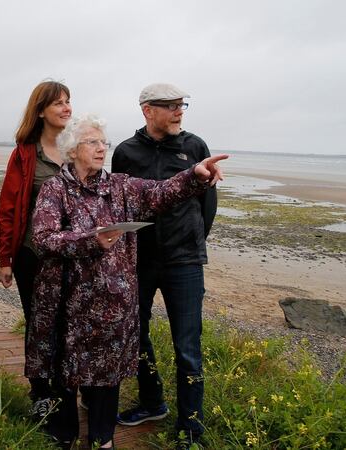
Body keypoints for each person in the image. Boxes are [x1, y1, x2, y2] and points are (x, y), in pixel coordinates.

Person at [26, 114, 226, 449]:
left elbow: (160, 193)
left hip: (111, 302)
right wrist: (91, 240)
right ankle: (64, 434)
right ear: (73, 150)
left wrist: (194, 174)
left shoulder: (118, 187)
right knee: (65, 367)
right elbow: (44, 238)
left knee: (107, 371)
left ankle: (103, 437)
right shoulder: (55, 189)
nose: (102, 148)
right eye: (93, 142)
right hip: (65, 300)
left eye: (104, 142)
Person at [111, 83, 216, 448]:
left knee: (187, 346)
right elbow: (119, 204)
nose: (178, 111)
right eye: (170, 106)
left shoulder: (195, 147)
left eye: (181, 105)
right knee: (136, 336)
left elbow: (208, 205)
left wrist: (192, 239)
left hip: (184, 261)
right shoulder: (125, 152)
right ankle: (152, 402)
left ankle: (191, 427)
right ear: (147, 110)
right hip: (137, 260)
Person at [0, 81, 71, 416]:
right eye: (58, 103)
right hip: (33, 255)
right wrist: (5, 259)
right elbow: (9, 207)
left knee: (69, 323)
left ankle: (66, 388)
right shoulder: (26, 152)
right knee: (39, 324)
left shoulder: (77, 148)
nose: (66, 108)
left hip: (73, 257)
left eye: (68, 102)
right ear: (41, 110)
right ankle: (41, 393)